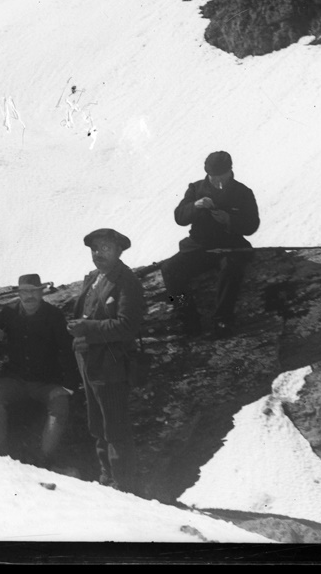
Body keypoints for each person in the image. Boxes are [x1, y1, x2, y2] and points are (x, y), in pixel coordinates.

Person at [68, 228, 147, 494]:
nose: (98, 253)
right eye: (94, 248)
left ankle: (124, 487)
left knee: (116, 429)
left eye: (105, 248)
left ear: (119, 251)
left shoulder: (127, 282)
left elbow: (127, 326)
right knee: (97, 425)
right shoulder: (93, 278)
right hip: (89, 363)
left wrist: (87, 328)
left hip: (112, 366)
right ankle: (106, 479)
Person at [0, 274, 81, 467]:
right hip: (16, 380)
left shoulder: (54, 316)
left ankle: (44, 458)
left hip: (46, 383)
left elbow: (69, 350)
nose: (29, 296)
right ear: (18, 293)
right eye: (24, 292)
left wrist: (69, 386)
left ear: (41, 292)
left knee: (60, 404)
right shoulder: (9, 312)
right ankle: (1, 451)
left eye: (33, 291)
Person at [159, 150, 260, 339]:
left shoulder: (243, 193)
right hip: (200, 247)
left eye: (221, 176)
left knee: (231, 268)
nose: (217, 181)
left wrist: (229, 220)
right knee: (169, 270)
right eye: (213, 177)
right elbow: (179, 217)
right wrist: (195, 206)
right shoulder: (196, 189)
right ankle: (186, 317)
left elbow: (252, 225)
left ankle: (223, 319)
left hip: (230, 246)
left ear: (230, 171)